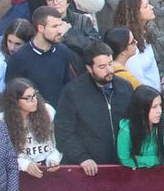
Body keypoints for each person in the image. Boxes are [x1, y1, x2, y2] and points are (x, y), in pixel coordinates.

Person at [54, 41, 132, 174]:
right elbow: (64, 130)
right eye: (102, 67)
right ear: (89, 68)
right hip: (90, 168)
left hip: (123, 164)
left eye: (110, 64)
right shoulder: (73, 92)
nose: (109, 70)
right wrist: (82, 158)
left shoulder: (125, 87)